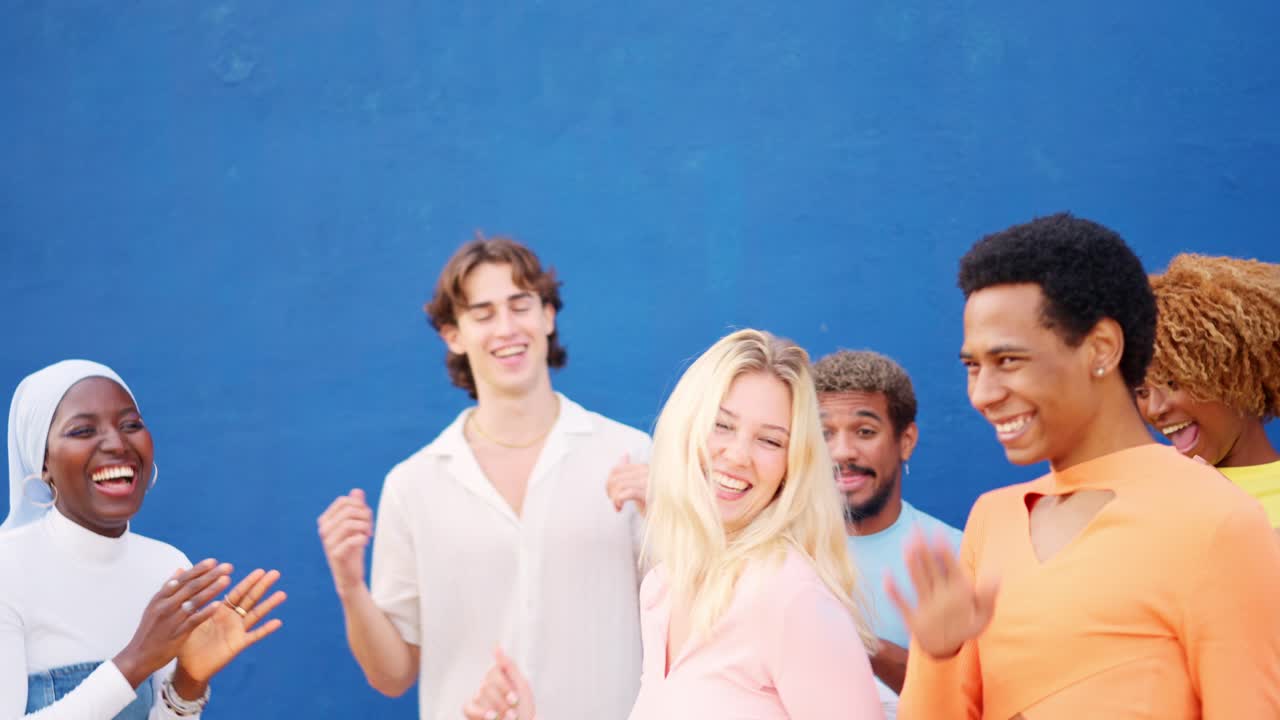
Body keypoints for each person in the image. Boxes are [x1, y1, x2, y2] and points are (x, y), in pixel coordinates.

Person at [890, 213, 1280, 718]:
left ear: (1101, 349)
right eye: (972, 366)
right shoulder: (993, 518)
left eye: (1009, 361)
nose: (982, 394)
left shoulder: (1219, 522)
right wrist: (940, 656)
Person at [466, 329, 885, 720]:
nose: (738, 455)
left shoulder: (793, 599)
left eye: (770, 440)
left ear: (792, 468)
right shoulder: (664, 589)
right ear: (686, 428)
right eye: (721, 425)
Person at [318, 236, 650, 720]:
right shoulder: (414, 485)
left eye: (521, 306)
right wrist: (350, 585)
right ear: (453, 334)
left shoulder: (629, 456)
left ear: (548, 316)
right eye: (483, 313)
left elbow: (687, 624)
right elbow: (391, 676)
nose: (507, 328)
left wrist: (673, 512)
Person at [0, 360, 286, 719]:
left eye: (131, 425)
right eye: (83, 431)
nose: (117, 443)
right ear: (42, 462)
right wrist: (135, 661)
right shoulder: (8, 570)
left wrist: (188, 682)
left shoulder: (168, 568)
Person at [812, 349, 961, 715]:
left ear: (905, 441)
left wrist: (864, 645)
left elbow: (974, 696)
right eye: (824, 433)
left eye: (864, 432)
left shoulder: (956, 554)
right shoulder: (776, 551)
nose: (842, 452)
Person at [1134, 253, 1280, 528]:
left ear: (1233, 374)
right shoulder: (1144, 494)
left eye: (1172, 383)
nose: (1155, 409)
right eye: (1142, 392)